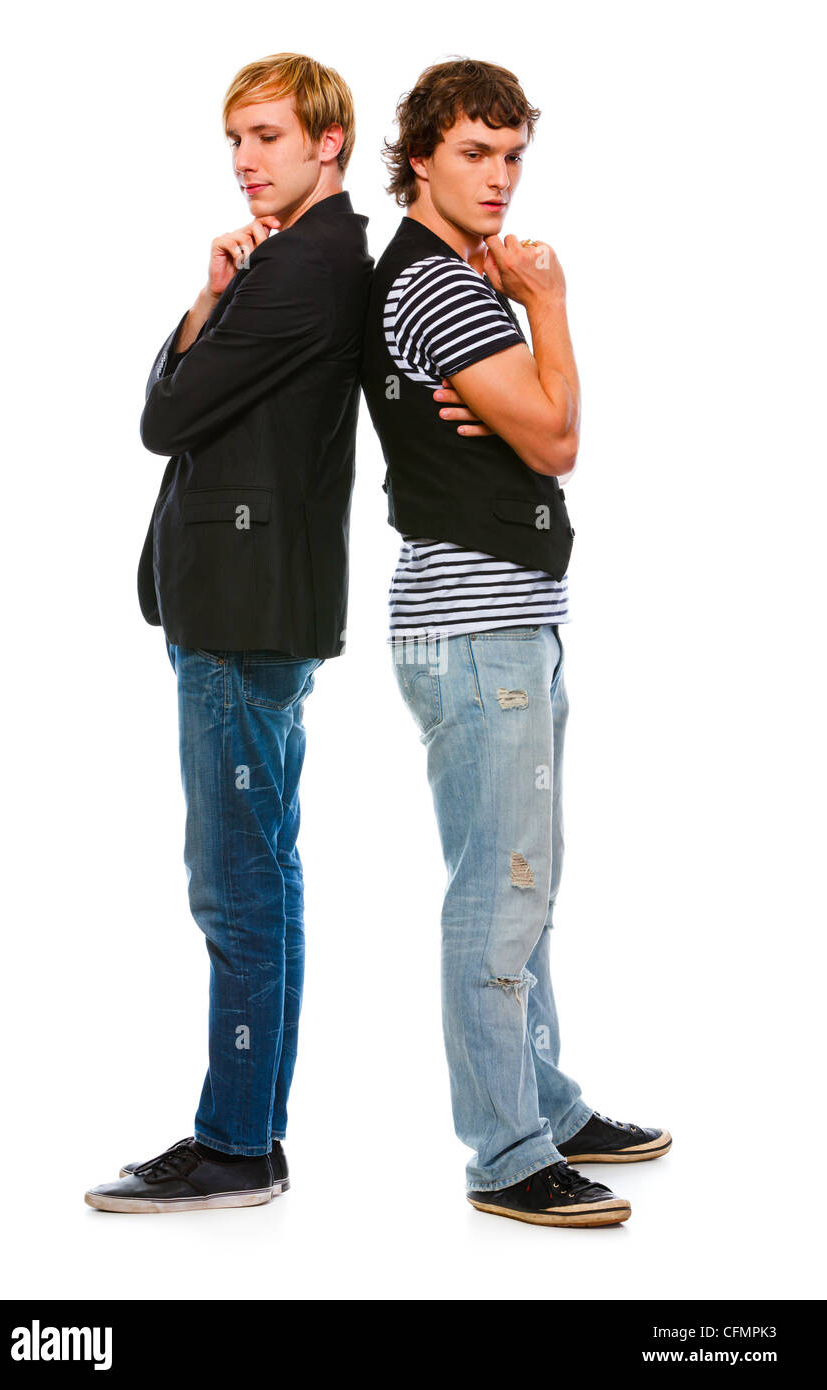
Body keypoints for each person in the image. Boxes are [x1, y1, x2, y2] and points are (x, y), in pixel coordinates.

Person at [361, 57, 670, 1227]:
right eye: (472, 154)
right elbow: (552, 438)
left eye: (511, 155)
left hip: (504, 620)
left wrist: (518, 370)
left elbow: (528, 431)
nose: (498, 178)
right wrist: (545, 309)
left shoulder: (449, 279)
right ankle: (504, 1152)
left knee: (522, 881)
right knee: (498, 889)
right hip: (473, 623)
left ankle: (543, 1100)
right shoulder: (443, 291)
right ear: (420, 159)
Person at [86, 53, 374, 1214]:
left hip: (242, 612)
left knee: (239, 885)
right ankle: (248, 1131)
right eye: (235, 142)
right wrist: (210, 297)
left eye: (268, 137)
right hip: (253, 604)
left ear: (328, 144)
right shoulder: (293, 261)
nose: (248, 161)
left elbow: (164, 418)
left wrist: (212, 307)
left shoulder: (304, 267)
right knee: (262, 873)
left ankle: (235, 1147)